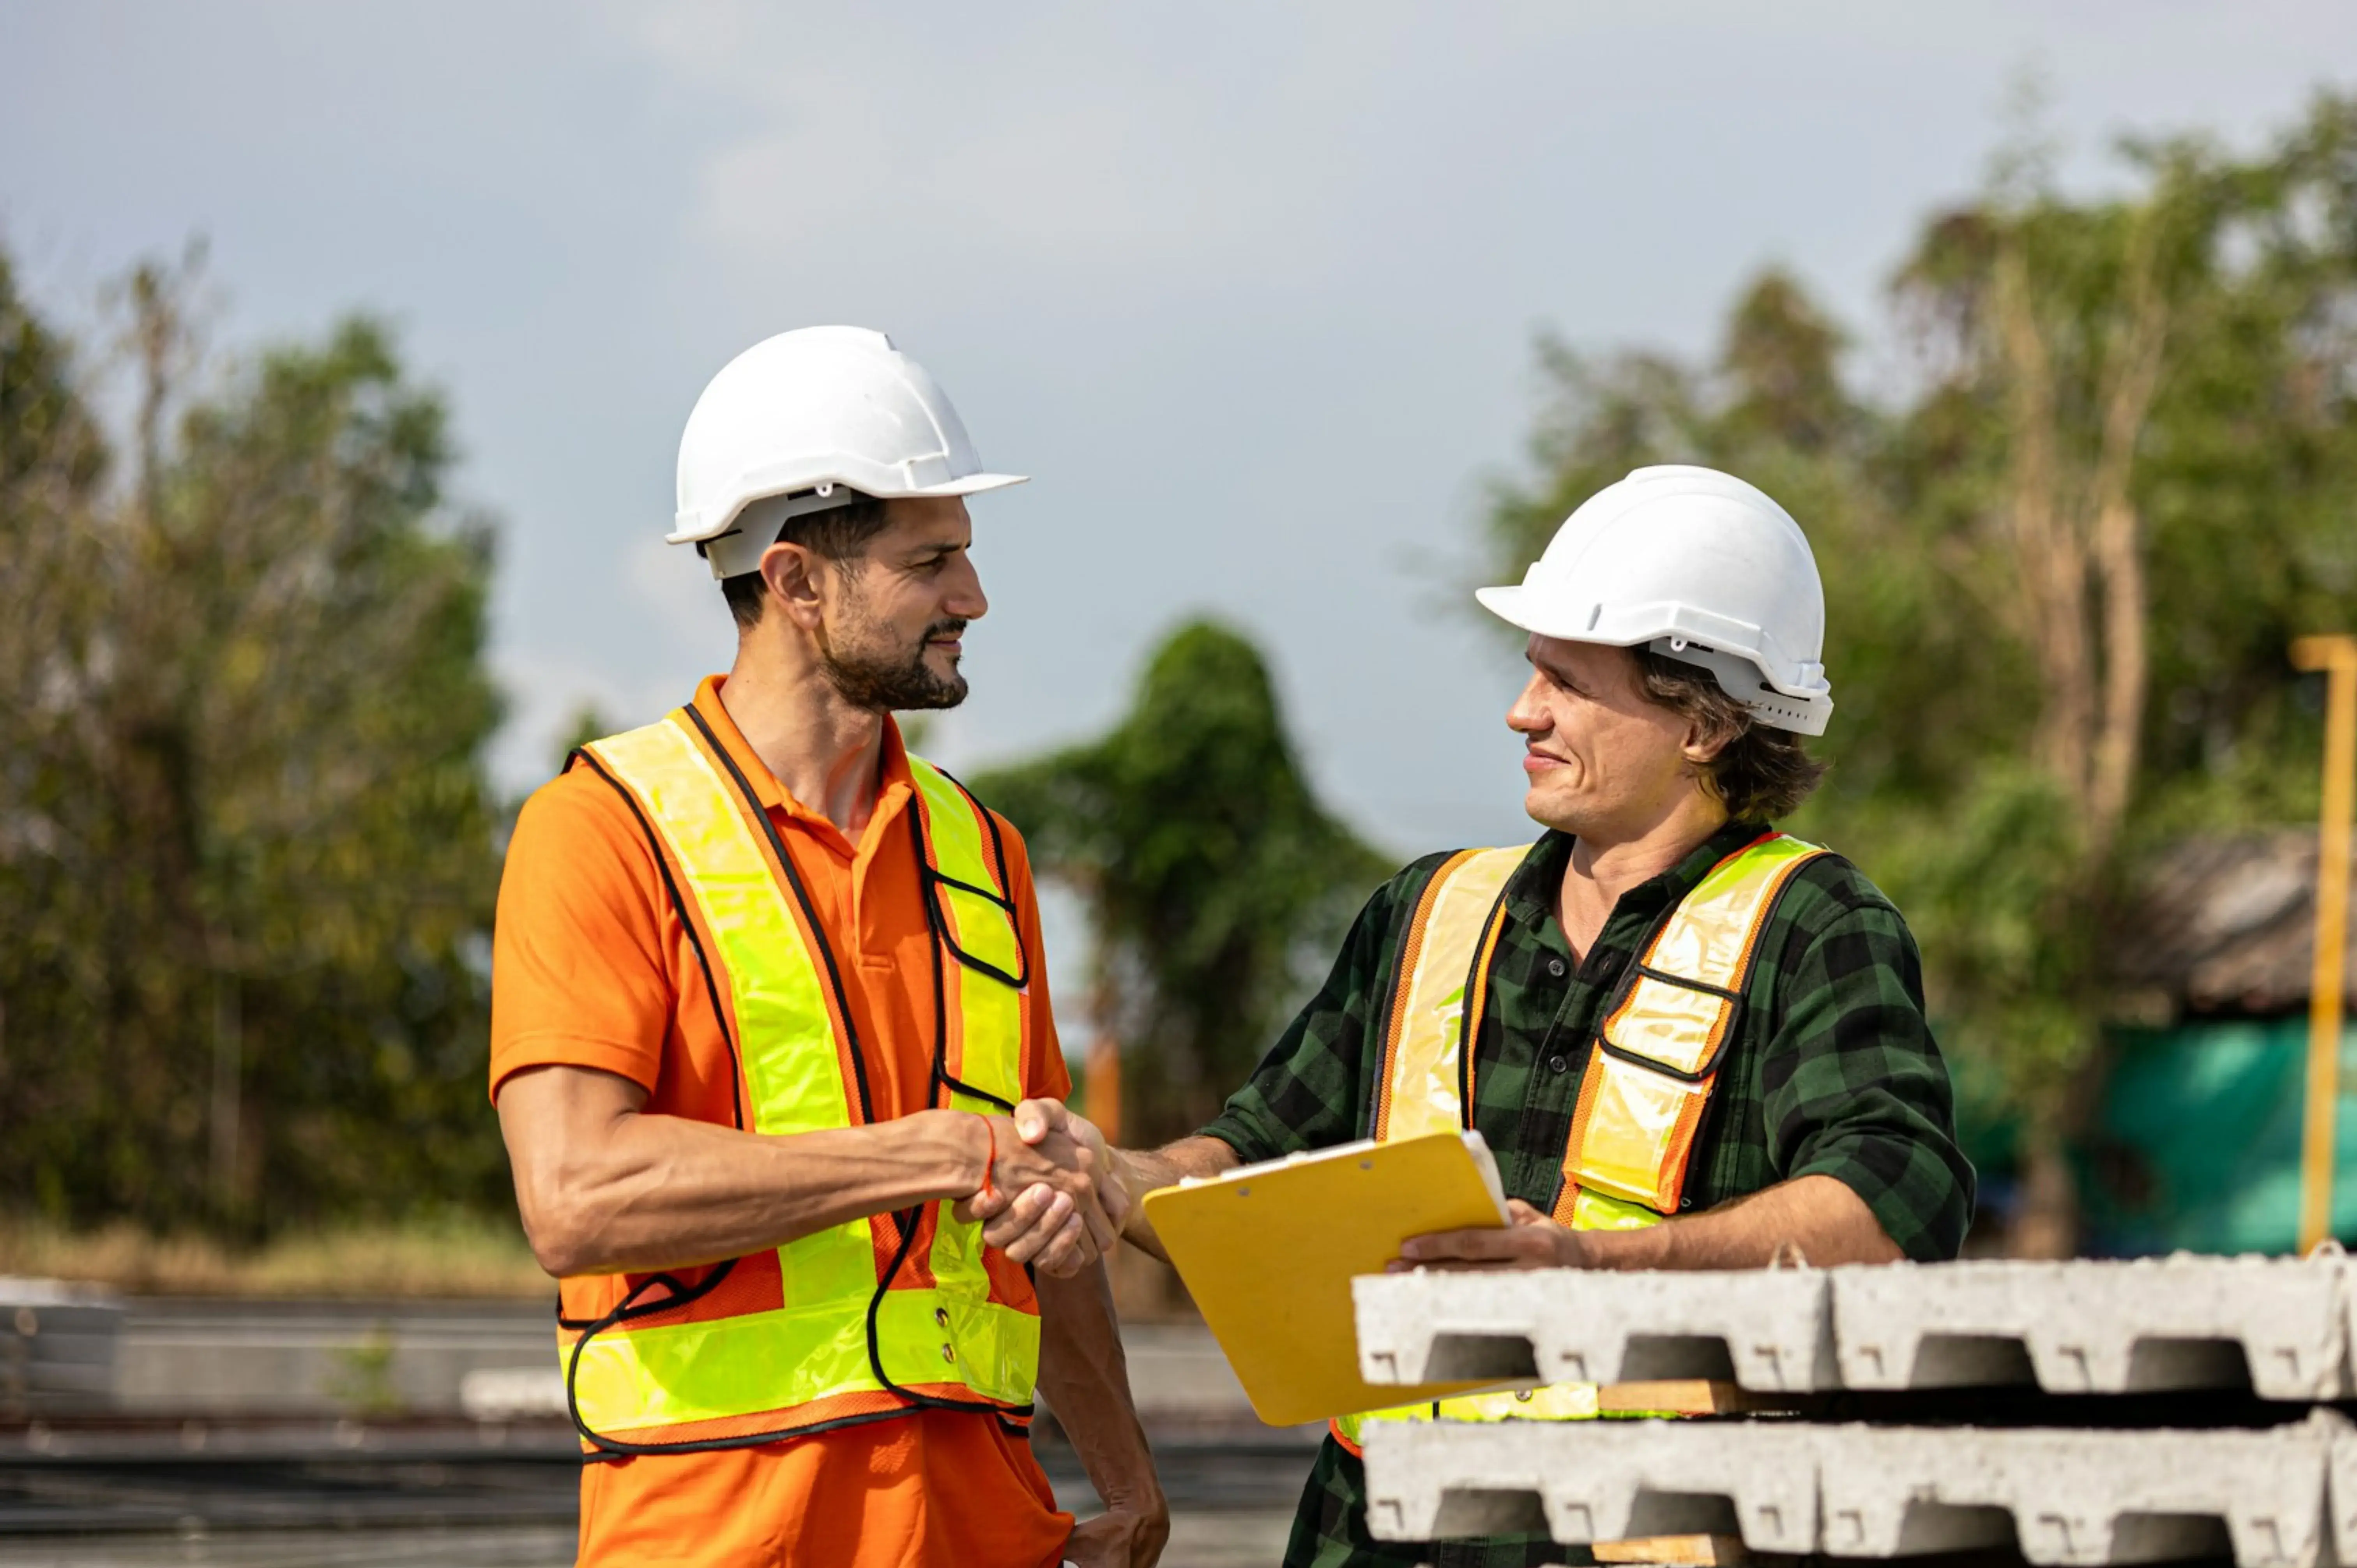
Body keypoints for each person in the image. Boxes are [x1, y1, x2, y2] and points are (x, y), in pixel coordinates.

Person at [988, 464, 1974, 1567]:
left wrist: (1595, 1269)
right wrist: (1112, 1175)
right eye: (1531, 671)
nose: (1523, 711)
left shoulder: (1814, 926)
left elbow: (1893, 1214)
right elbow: (1245, 1166)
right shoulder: (1425, 914)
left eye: (1568, 681)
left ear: (1702, 721)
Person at [490, 327, 1167, 1568]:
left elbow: (1042, 1195)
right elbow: (577, 1198)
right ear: (797, 582)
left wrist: (1124, 1475)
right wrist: (928, 1153)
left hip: (985, 1534)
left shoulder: (981, 853)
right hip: (717, 1535)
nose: (973, 598)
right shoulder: (601, 831)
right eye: (934, 562)